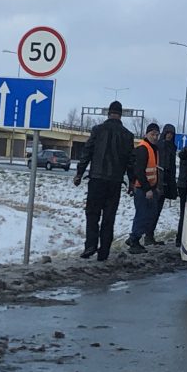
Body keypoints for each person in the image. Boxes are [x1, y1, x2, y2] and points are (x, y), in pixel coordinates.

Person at [73, 101, 134, 261]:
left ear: (108, 113)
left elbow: (87, 152)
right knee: (109, 217)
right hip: (115, 182)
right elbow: (130, 162)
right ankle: (104, 252)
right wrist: (132, 182)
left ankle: (90, 245)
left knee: (92, 213)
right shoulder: (128, 135)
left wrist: (79, 173)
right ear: (120, 114)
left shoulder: (98, 130)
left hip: (97, 179)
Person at [126, 123, 161, 254]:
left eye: (157, 135)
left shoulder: (153, 148)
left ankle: (134, 238)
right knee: (142, 215)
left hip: (149, 188)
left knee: (149, 214)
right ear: (146, 134)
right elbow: (139, 171)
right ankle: (134, 240)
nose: (155, 137)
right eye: (153, 134)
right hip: (142, 189)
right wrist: (147, 189)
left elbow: (153, 170)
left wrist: (154, 187)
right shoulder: (143, 149)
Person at [145, 123, 178, 245]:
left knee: (156, 211)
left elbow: (171, 167)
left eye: (171, 134)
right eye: (168, 133)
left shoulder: (171, 147)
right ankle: (147, 236)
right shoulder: (160, 146)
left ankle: (149, 235)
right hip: (158, 182)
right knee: (153, 211)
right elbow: (159, 166)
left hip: (166, 182)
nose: (169, 135)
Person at [175, 141, 187, 247]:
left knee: (184, 213)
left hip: (183, 185)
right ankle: (180, 238)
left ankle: (180, 238)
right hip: (186, 186)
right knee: (185, 214)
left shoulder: (186, 151)